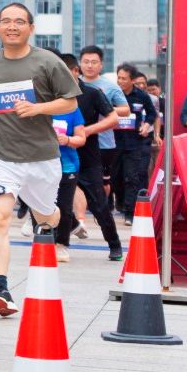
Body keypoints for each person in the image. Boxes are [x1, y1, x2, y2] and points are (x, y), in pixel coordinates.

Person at [0, 4, 80, 316]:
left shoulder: (48, 62)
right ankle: (0, 289)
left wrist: (38, 108)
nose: (12, 26)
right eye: (6, 21)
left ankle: (55, 217)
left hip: (41, 157)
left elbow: (70, 102)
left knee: (46, 217)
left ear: (31, 28)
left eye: (19, 21)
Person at [61, 52, 124, 259]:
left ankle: (114, 245)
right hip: (61, 157)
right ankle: (61, 243)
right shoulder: (53, 95)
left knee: (99, 203)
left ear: (75, 71)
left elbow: (113, 118)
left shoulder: (92, 93)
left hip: (88, 157)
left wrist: (86, 131)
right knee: (59, 202)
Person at [78, 45, 131, 216]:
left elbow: (125, 109)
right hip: (77, 140)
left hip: (104, 142)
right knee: (76, 179)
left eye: (94, 62)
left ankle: (101, 209)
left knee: (102, 181)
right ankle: (80, 214)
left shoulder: (110, 86)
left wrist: (104, 109)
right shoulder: (73, 83)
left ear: (101, 64)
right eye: (86, 61)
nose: (90, 65)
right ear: (80, 63)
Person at [48, 68, 89, 262]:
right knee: (43, 205)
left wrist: (67, 140)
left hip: (67, 165)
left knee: (64, 207)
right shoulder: (39, 107)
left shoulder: (72, 109)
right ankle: (45, 242)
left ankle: (61, 244)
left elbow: (81, 138)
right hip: (42, 165)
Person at [113, 62, 159, 223]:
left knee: (131, 177)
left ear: (132, 80)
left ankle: (129, 212)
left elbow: (152, 114)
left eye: (124, 78)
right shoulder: (113, 94)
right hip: (114, 141)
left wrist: (146, 126)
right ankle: (119, 203)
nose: (120, 81)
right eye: (119, 78)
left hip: (134, 142)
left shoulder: (141, 96)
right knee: (115, 177)